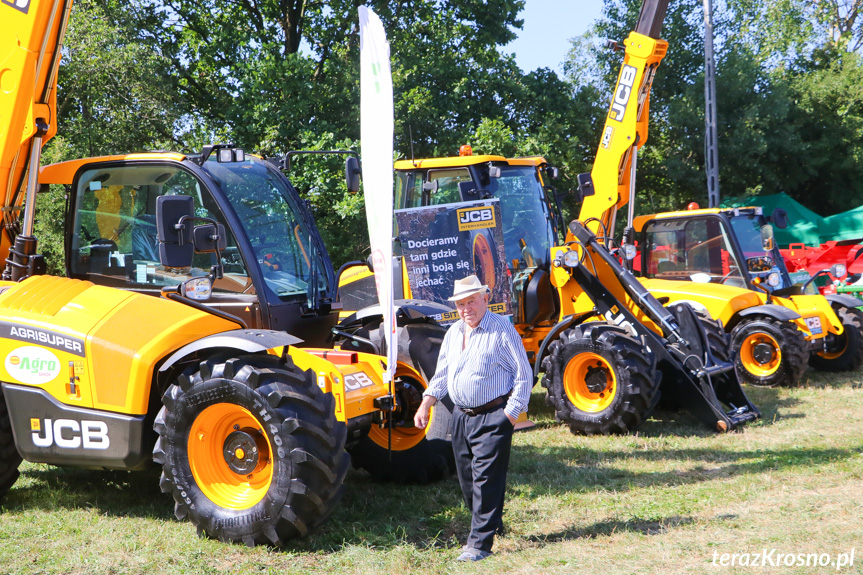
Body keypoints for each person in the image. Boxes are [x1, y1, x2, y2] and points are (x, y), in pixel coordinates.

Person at [414, 274, 532, 562]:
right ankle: (491, 522)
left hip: (493, 415)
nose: (467, 308)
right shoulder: (454, 332)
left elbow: (523, 375)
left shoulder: (502, 330)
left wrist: (510, 414)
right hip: (461, 416)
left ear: (485, 299)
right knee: (467, 479)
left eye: (472, 301)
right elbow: (442, 373)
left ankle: (479, 544)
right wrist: (426, 403)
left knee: (485, 479)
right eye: (461, 303)